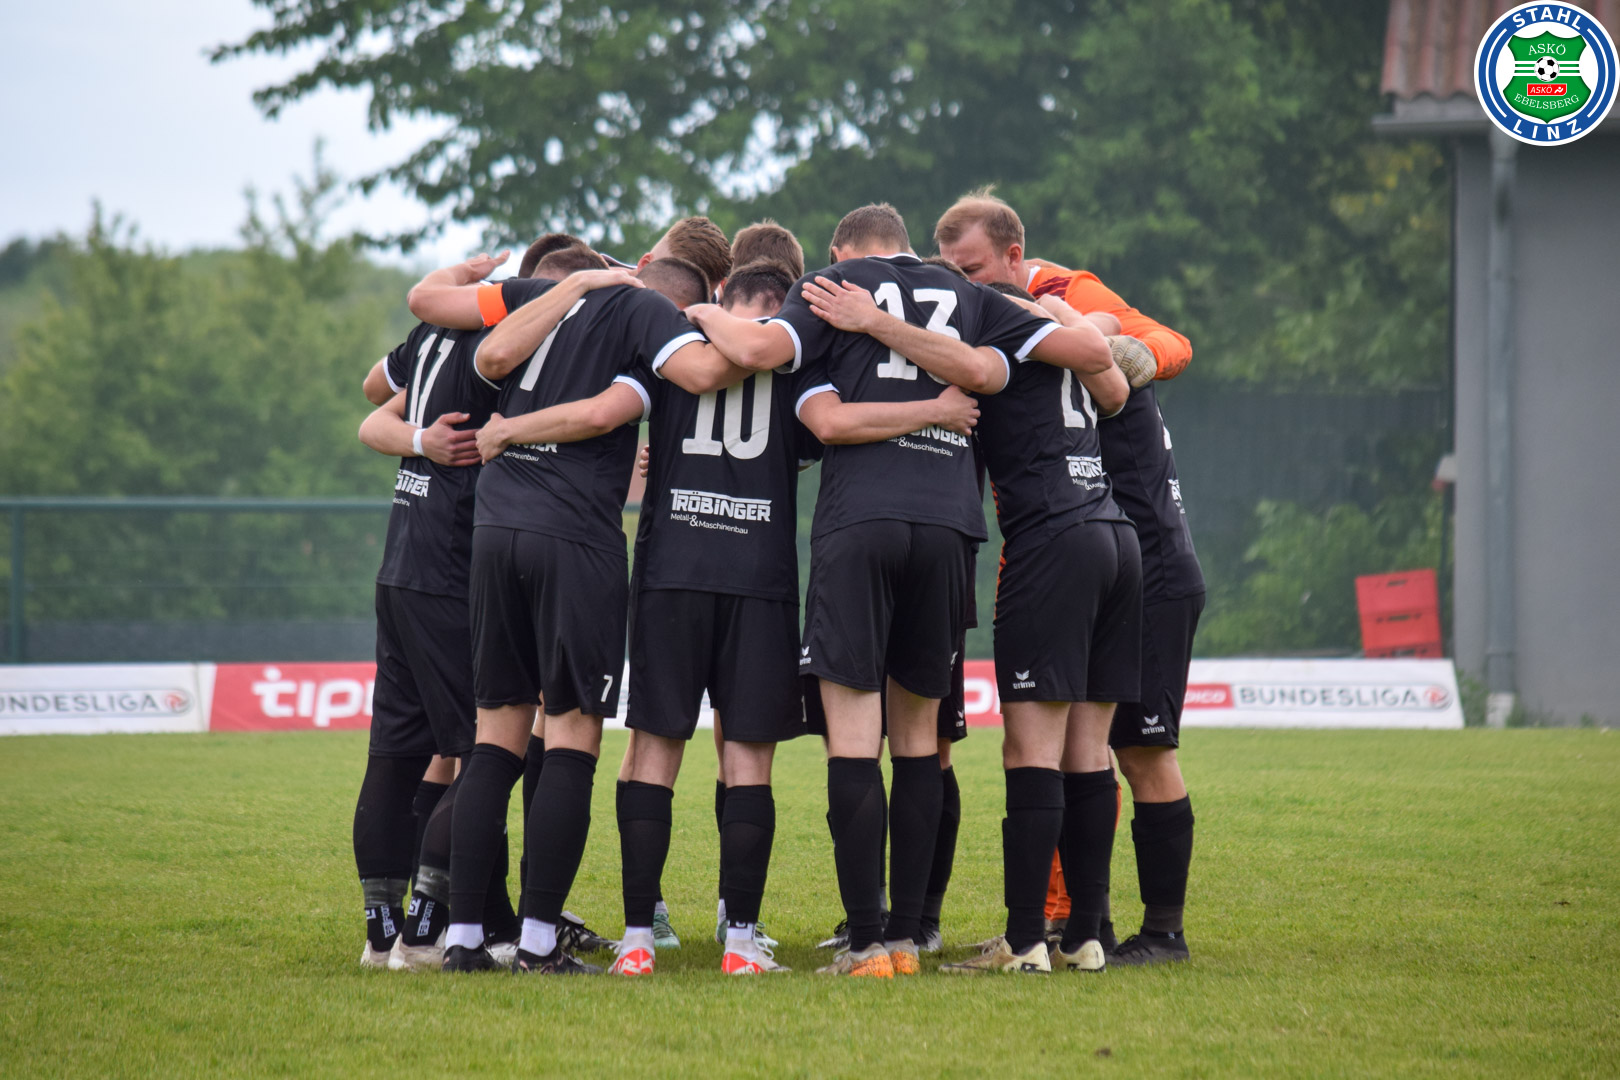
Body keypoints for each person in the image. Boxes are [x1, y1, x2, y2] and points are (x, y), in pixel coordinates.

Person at [686, 202, 1114, 977]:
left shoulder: (830, 289)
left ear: (842, 249)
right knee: (919, 742)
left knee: (855, 741)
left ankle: (867, 943)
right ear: (910, 244)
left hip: (861, 524)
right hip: (949, 528)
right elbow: (1074, 353)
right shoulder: (969, 294)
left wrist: (695, 311)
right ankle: (912, 938)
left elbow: (771, 368)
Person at [936, 191, 1204, 966]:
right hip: (1115, 538)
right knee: (1089, 751)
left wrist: (879, 324)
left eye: (971, 269)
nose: (961, 283)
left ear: (1014, 259)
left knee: (1077, 750)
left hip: (1088, 547)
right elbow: (1114, 388)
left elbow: (1166, 344)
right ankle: (1086, 932)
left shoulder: (1027, 311)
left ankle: (1046, 939)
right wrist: (1092, 338)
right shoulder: (1065, 328)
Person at [348, 250, 514, 970]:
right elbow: (373, 412)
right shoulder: (498, 342)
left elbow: (371, 400)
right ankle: (423, 933)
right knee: (485, 753)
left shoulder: (429, 337)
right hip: (449, 569)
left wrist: (417, 439)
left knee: (396, 757)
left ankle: (381, 935)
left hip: (400, 566)